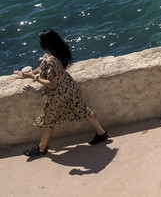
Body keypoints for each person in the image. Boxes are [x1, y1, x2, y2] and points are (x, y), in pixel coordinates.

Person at [13, 30, 110, 158]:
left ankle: (41, 149)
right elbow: (42, 67)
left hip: (57, 94)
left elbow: (52, 84)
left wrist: (33, 77)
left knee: (48, 120)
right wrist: (26, 74)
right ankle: (101, 133)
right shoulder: (57, 51)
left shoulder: (51, 59)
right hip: (69, 86)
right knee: (82, 109)